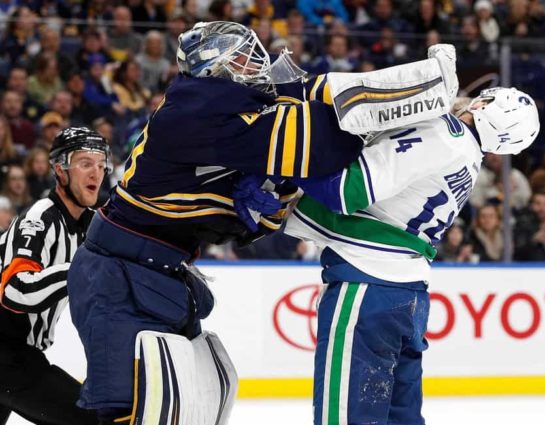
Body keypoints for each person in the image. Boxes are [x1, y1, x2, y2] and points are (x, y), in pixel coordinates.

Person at [66, 20, 365, 425]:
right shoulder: (194, 111)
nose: (254, 62)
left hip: (156, 272)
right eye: (240, 55)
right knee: (129, 409)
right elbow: (320, 146)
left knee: (182, 405)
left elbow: (245, 227)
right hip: (117, 277)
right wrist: (371, 116)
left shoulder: (219, 118)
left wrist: (271, 194)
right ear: (213, 67)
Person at [274, 83, 540, 423]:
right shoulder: (470, 160)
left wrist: (275, 159)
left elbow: (345, 191)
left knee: (343, 416)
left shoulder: (443, 135)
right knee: (400, 417)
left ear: (484, 105)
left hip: (368, 284)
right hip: (408, 296)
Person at [0, 127, 110, 425]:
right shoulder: (39, 220)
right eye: (85, 163)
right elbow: (14, 290)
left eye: (101, 165)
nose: (96, 173)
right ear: (60, 169)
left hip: (18, 355)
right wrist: (78, 270)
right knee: (90, 420)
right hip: (8, 356)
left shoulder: (89, 224)